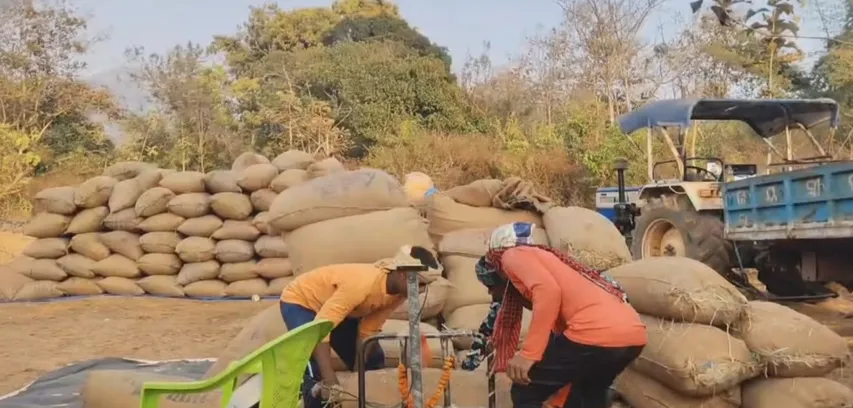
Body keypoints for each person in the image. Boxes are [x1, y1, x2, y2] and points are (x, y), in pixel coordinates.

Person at [475, 222, 647, 408]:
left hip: (594, 332)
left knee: (525, 390)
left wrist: (528, 355)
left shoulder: (512, 255)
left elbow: (547, 292)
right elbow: (562, 340)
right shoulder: (554, 264)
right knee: (585, 395)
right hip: (633, 336)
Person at [279, 245, 439, 408]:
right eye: (420, 284)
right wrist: (329, 377)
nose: (420, 291)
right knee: (315, 369)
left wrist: (358, 377)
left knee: (372, 358)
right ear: (403, 275)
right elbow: (321, 328)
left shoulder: (398, 293)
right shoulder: (363, 283)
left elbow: (368, 330)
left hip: (337, 309)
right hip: (301, 301)